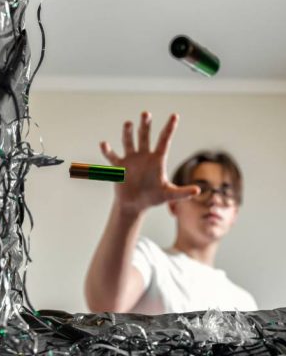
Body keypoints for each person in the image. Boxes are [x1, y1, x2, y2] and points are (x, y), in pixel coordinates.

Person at [84, 112, 257, 314]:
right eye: (201, 189)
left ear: (234, 214)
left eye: (225, 192)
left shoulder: (244, 302)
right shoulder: (151, 259)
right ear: (175, 204)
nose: (215, 199)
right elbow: (106, 306)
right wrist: (129, 211)